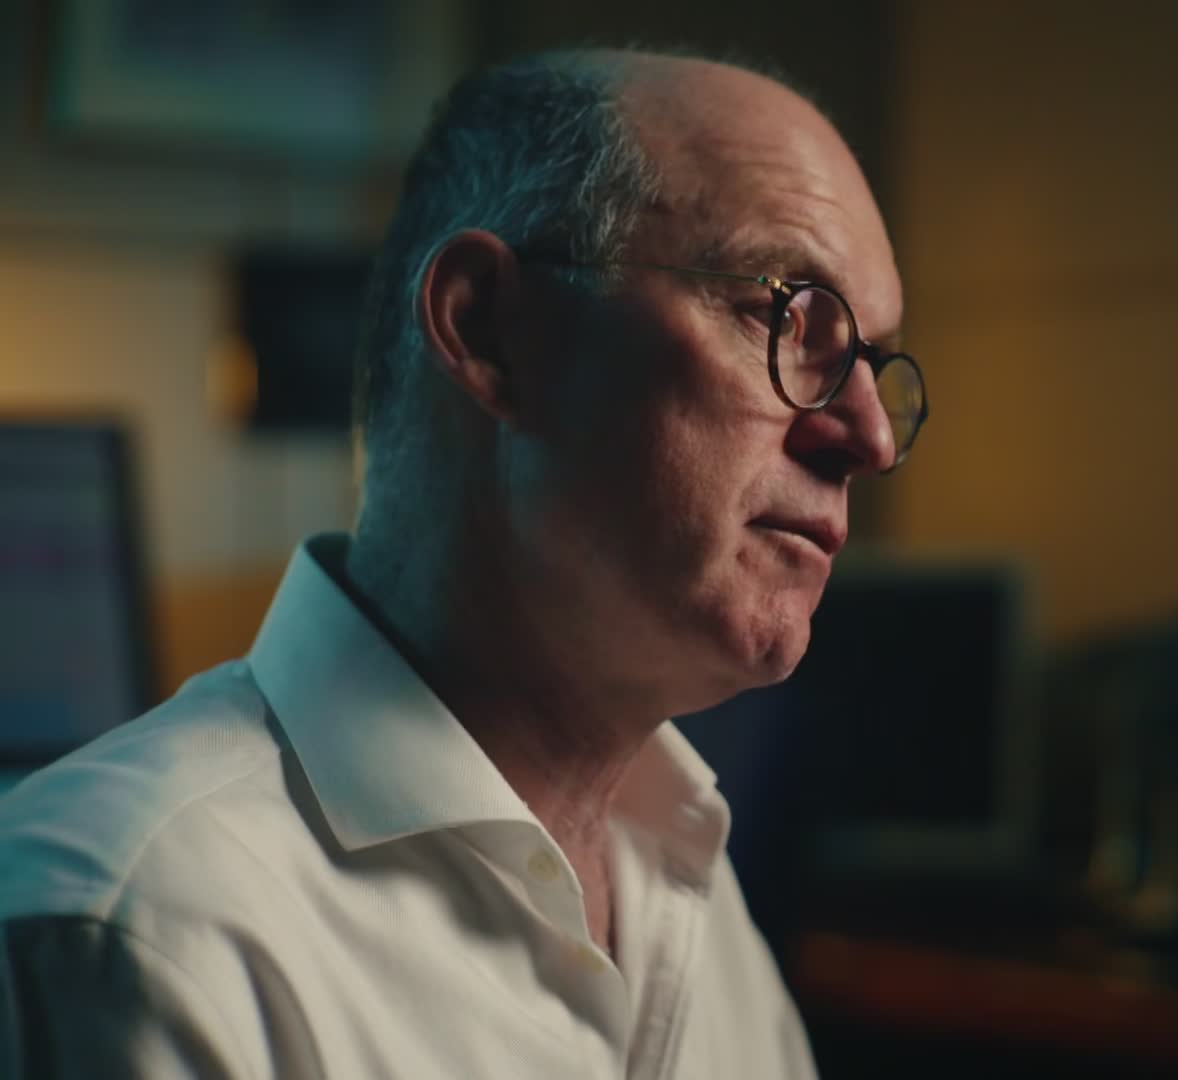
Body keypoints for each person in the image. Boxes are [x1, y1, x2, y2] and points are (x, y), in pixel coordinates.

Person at [0, 46, 926, 1079]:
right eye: (788, 316)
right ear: (488, 329)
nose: (870, 437)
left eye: (873, 361)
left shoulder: (700, 907)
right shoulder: (130, 932)